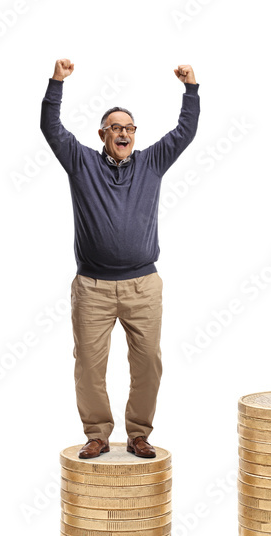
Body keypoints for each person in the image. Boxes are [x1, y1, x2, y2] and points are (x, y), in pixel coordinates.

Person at [40, 58, 200, 459]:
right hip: (92, 287)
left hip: (143, 286)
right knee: (89, 366)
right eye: (116, 127)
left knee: (148, 362)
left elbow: (185, 132)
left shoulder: (152, 162)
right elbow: (51, 129)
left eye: (129, 128)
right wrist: (57, 82)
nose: (123, 133)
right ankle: (96, 433)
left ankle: (138, 434)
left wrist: (191, 89)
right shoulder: (82, 163)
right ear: (102, 134)